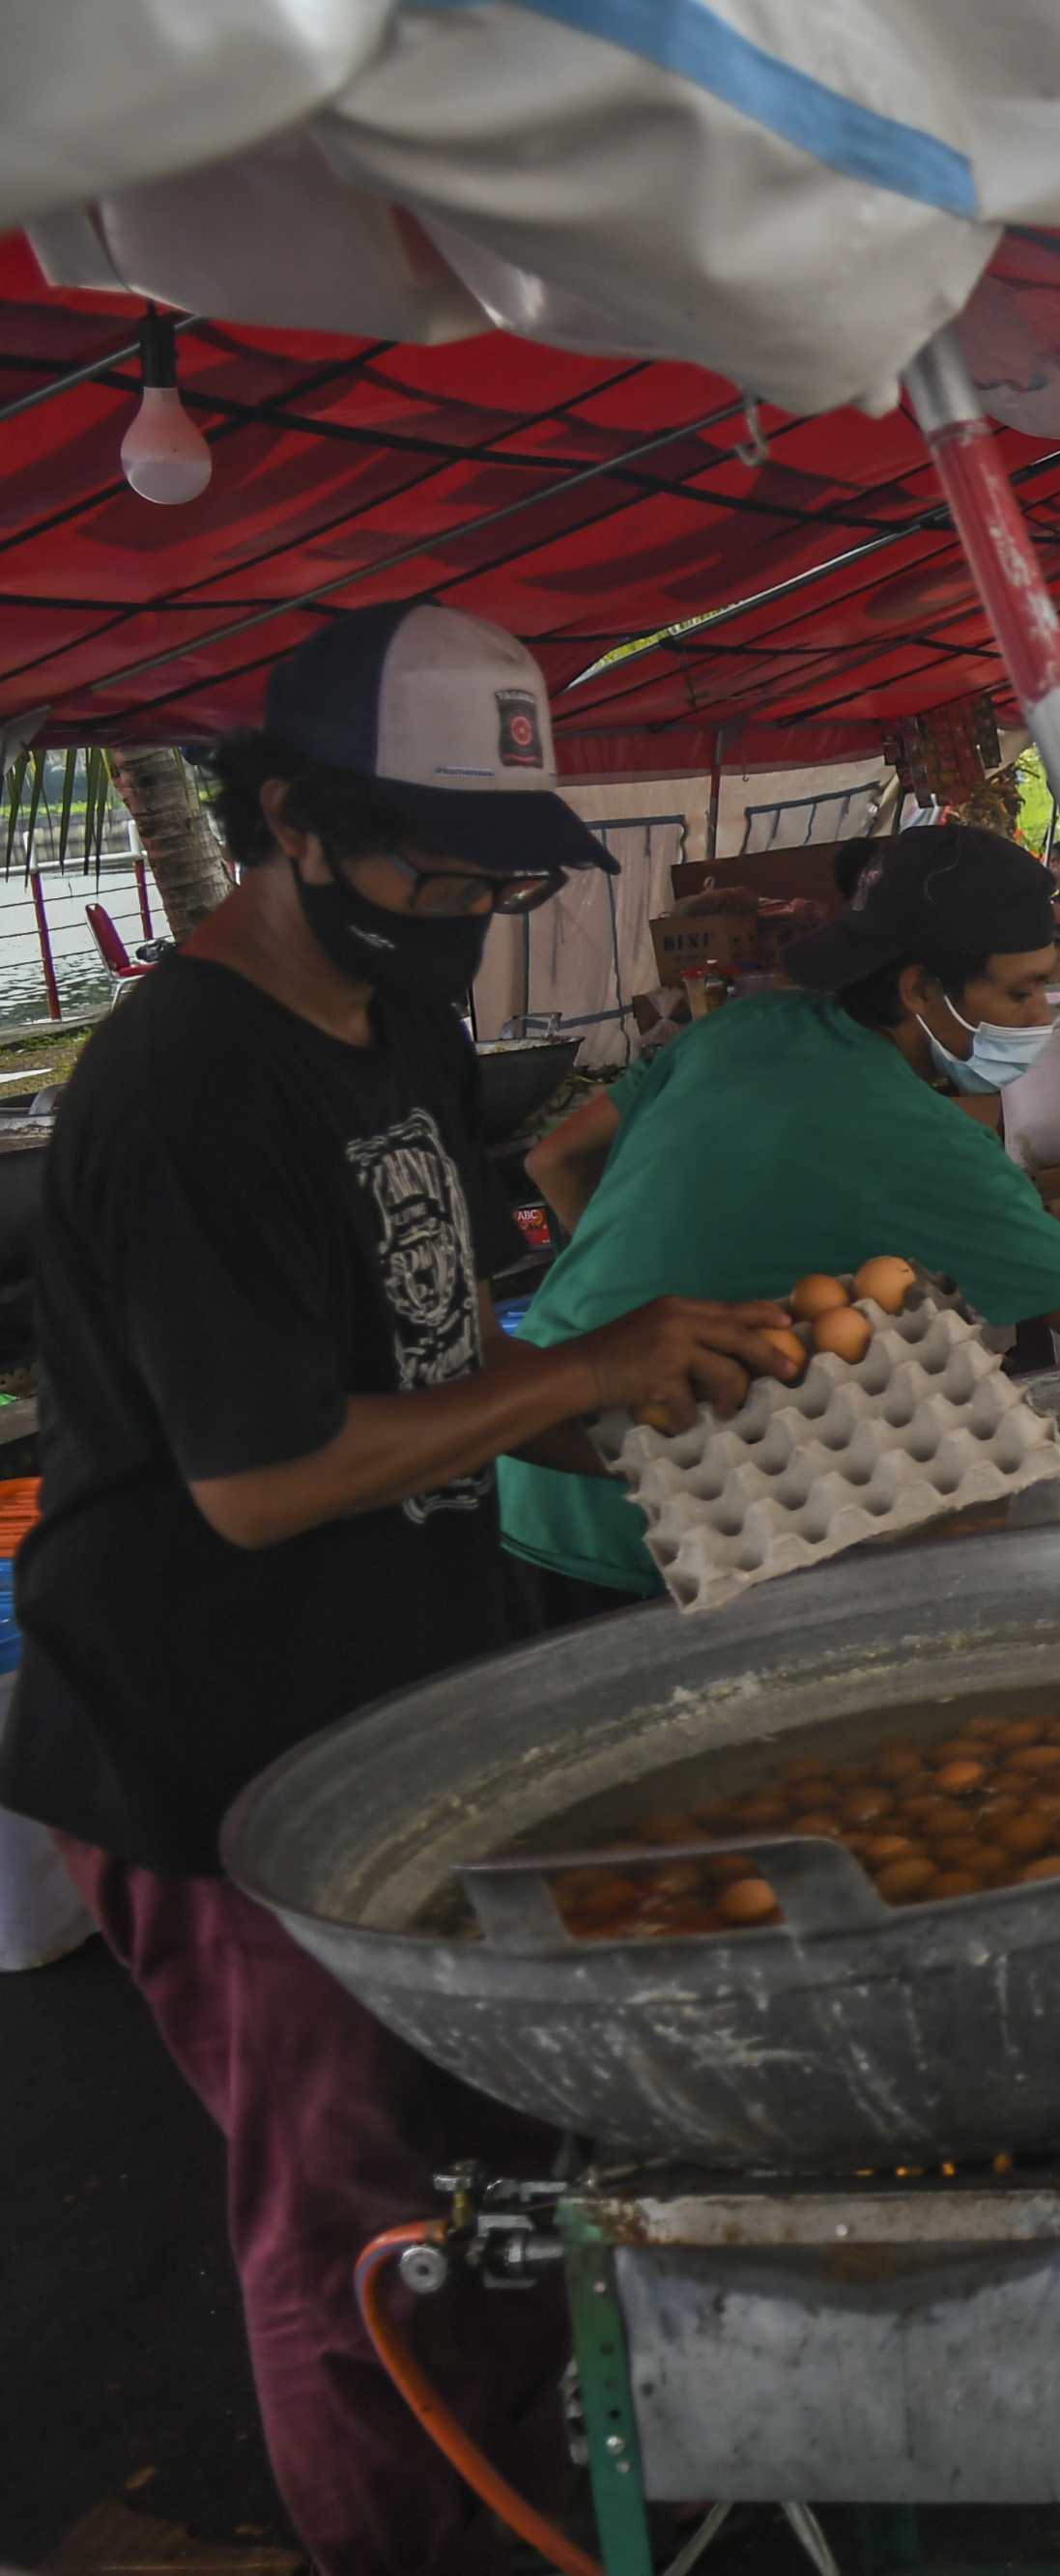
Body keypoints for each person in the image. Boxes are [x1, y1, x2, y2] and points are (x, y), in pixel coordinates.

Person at [0, 604, 799, 2576]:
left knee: (505, 2144)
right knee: (352, 2201)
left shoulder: (406, 1030)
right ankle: (406, 2545)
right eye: (433, 872)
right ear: (289, 819)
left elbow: (432, 1362)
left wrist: (656, 1431)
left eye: (497, 879)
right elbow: (261, 1477)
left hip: (412, 1695)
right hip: (217, 1742)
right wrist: (587, 1367)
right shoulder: (187, 1089)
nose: (464, 915)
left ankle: (535, 2494)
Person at [504, 825, 1060, 1616]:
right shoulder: (923, 1143)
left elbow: (554, 1160)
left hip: (528, 1436)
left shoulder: (740, 1027)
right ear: (920, 989)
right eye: (1020, 992)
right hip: (650, 1512)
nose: (1040, 1016)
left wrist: (637, 1278)